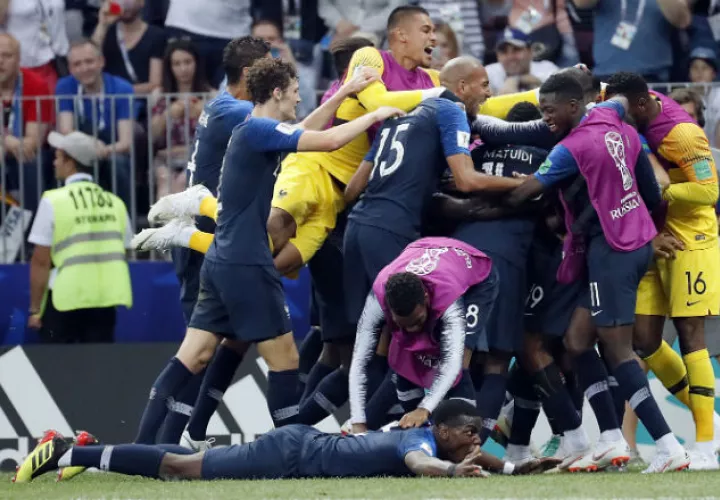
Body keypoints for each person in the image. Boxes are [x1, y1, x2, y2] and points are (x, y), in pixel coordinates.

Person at [132, 56, 401, 448]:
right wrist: (377, 113)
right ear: (276, 93)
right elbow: (326, 141)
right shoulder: (256, 130)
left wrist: (345, 91)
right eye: (294, 94)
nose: (297, 102)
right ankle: (287, 449)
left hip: (221, 262)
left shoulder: (257, 131)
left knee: (193, 356)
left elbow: (304, 130)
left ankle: (139, 448)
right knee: (286, 361)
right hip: (247, 265)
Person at [507, 73, 690, 473]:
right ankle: (609, 438)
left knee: (619, 350)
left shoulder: (572, 147)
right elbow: (651, 189)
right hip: (634, 240)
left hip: (613, 251)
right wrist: (642, 224)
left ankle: (667, 445)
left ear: (574, 107)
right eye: (541, 110)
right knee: (577, 340)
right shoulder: (615, 120)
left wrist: (476, 191)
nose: (545, 119)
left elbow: (525, 192)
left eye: (550, 111)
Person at [13, 399, 558, 483]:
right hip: (288, 453)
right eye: (468, 436)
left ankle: (82, 446)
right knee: (180, 469)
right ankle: (68, 450)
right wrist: (452, 474)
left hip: (300, 447)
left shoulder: (441, 440)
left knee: (182, 460)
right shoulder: (417, 444)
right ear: (443, 430)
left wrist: (516, 469)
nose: (473, 444)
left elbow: (465, 455)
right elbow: (420, 465)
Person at [605, 72, 720, 470]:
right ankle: (716, 422)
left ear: (640, 106)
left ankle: (705, 442)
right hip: (651, 237)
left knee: (690, 334)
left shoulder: (683, 135)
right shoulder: (625, 106)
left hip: (691, 239)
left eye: (621, 109)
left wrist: (659, 188)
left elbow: (709, 192)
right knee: (644, 339)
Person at [349, 237, 499, 432]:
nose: (412, 329)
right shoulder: (377, 299)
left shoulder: (449, 301)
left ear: (426, 299)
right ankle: (423, 435)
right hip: (421, 248)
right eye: (403, 324)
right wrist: (358, 421)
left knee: (459, 359)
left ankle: (463, 438)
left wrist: (424, 408)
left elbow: (452, 365)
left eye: (417, 320)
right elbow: (359, 361)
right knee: (408, 351)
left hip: (474, 275)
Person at [26, 130, 133, 343]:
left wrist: (35, 310)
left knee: (56, 372)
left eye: (58, 157)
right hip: (105, 300)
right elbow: (125, 250)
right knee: (99, 371)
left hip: (65, 299)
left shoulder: (53, 201)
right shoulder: (115, 203)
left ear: (70, 162)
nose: (54, 163)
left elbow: (40, 261)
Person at [55, 39, 134, 207]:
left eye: (89, 61)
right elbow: (66, 130)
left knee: (118, 164)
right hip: (79, 149)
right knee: (62, 161)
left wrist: (103, 150)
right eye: (77, 64)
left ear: (101, 62)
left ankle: (125, 220)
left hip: (111, 150)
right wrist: (90, 146)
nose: (84, 69)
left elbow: (125, 142)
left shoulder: (122, 88)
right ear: (70, 69)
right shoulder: (64, 86)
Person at [150, 39, 214, 200]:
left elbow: (218, 136)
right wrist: (168, 115)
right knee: (164, 181)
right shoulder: (160, 95)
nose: (183, 69)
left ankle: (178, 225)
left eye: (187, 62)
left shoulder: (211, 96)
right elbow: (153, 134)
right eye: (177, 64)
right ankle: (167, 224)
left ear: (196, 63)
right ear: (169, 67)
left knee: (181, 181)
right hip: (166, 157)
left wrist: (204, 113)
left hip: (198, 158)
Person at [0, 33, 53, 214]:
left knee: (31, 160)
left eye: (6, 56)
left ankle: (34, 230)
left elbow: (33, 142)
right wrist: (6, 141)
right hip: (10, 145)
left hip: (24, 153)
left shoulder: (35, 84)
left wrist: (5, 143)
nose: (0, 61)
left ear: (19, 59)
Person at [91, 0, 165, 97]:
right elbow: (90, 57)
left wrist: (117, 91)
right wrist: (102, 24)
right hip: (110, 105)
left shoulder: (156, 35)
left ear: (142, 2)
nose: (125, 3)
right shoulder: (106, 33)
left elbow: (155, 84)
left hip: (141, 104)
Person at [485, 28, 558, 96]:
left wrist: (516, 80)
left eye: (516, 50)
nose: (510, 57)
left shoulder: (547, 68)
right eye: (504, 52)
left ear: (530, 51)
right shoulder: (489, 72)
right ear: (497, 55)